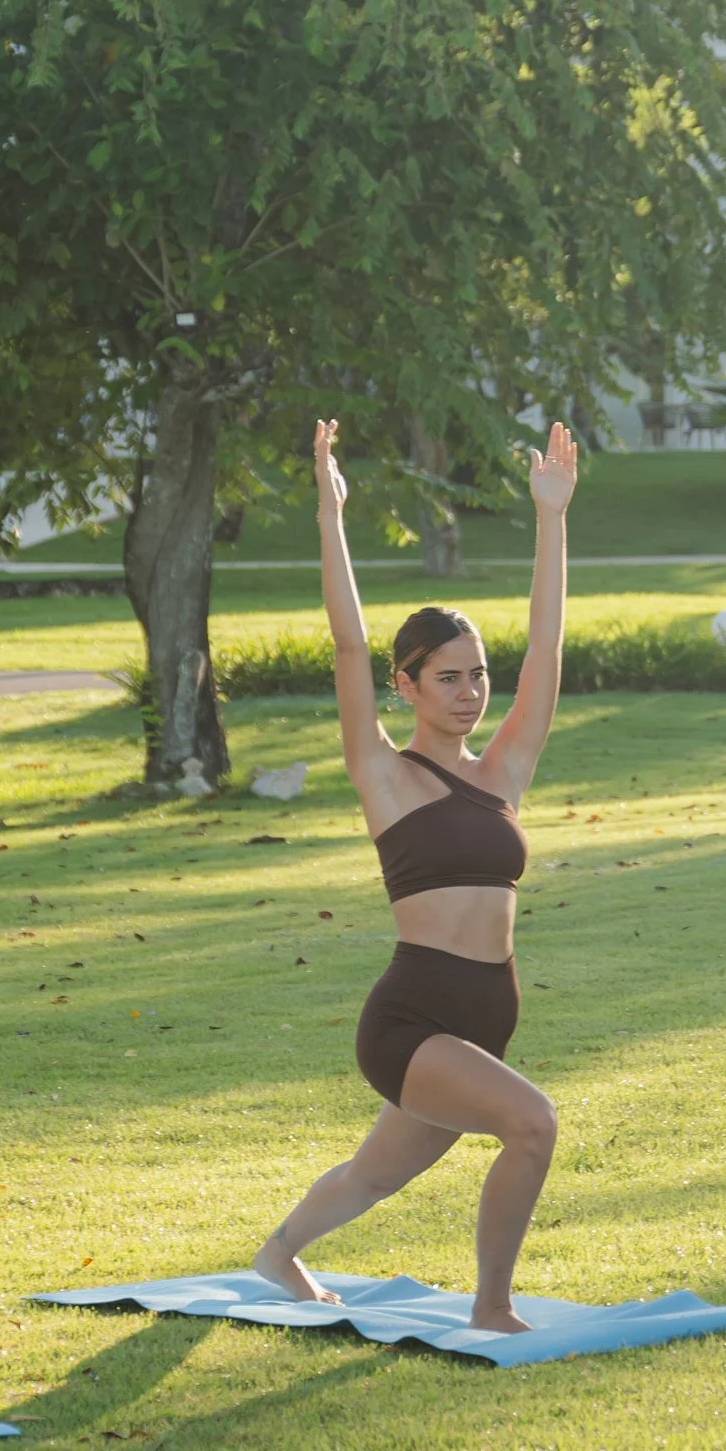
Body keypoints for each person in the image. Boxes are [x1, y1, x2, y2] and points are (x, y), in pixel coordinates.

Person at [253, 417, 578, 1333]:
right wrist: (331, 514)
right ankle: (492, 1306)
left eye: (477, 676)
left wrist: (551, 520)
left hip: (485, 1018)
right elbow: (349, 649)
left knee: (375, 1175)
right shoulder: (384, 774)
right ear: (408, 686)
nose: (470, 691)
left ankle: (279, 1253)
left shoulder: (504, 768)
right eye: (448, 677)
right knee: (532, 1125)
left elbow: (547, 657)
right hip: (413, 1021)